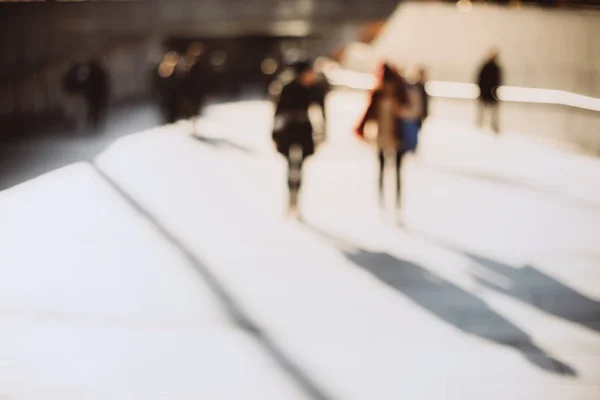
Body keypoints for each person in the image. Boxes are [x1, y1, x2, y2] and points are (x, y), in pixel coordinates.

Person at [272, 60, 326, 218]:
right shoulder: (287, 88)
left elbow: (321, 110)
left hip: (304, 129)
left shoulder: (313, 89)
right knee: (291, 165)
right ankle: (290, 197)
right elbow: (278, 113)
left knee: (300, 165)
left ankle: (296, 199)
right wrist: (274, 133)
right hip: (289, 129)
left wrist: (322, 132)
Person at [356, 64, 407, 212]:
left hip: (397, 136)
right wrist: (361, 131)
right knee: (381, 168)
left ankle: (397, 201)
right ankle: (381, 200)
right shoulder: (377, 95)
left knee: (397, 169)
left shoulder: (400, 95)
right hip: (381, 136)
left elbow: (411, 111)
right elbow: (368, 114)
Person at [476, 49, 503, 133]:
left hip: (490, 92)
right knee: (485, 110)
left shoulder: (492, 67)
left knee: (490, 110)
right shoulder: (488, 67)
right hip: (488, 92)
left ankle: (490, 125)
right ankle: (482, 124)